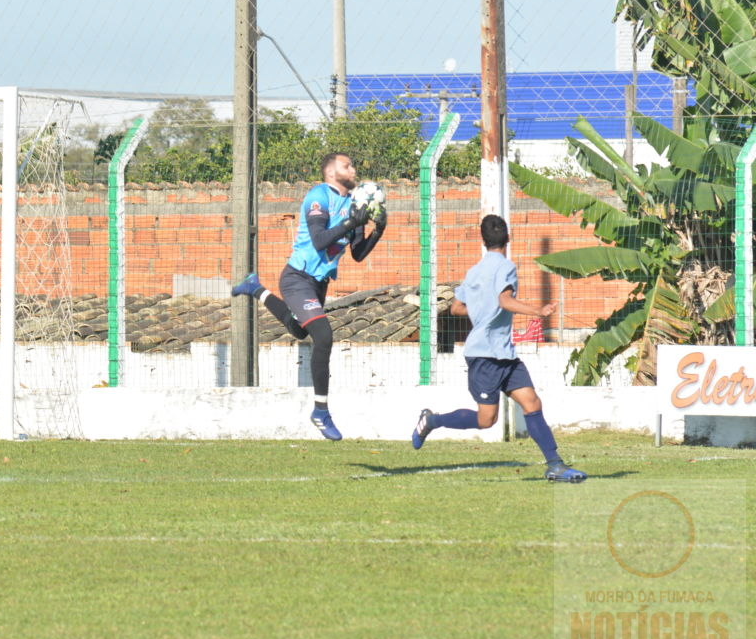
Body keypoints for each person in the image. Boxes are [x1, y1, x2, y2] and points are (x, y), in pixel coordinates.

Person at [411, 214, 587, 483]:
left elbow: (457, 308)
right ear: (509, 237)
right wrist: (537, 311)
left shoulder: (474, 271)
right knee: (486, 420)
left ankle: (555, 465)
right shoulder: (506, 267)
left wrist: (482, 309)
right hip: (485, 355)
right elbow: (505, 301)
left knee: (531, 402)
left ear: (483, 241)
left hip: (504, 353)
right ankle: (432, 421)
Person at [231, 152, 387, 440]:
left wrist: (378, 230)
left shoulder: (355, 203)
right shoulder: (319, 197)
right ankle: (320, 411)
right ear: (330, 173)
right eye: (347, 165)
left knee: (298, 330)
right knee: (323, 336)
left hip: (319, 284)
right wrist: (351, 223)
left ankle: (255, 287)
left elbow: (357, 253)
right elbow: (319, 240)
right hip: (297, 278)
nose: (353, 169)